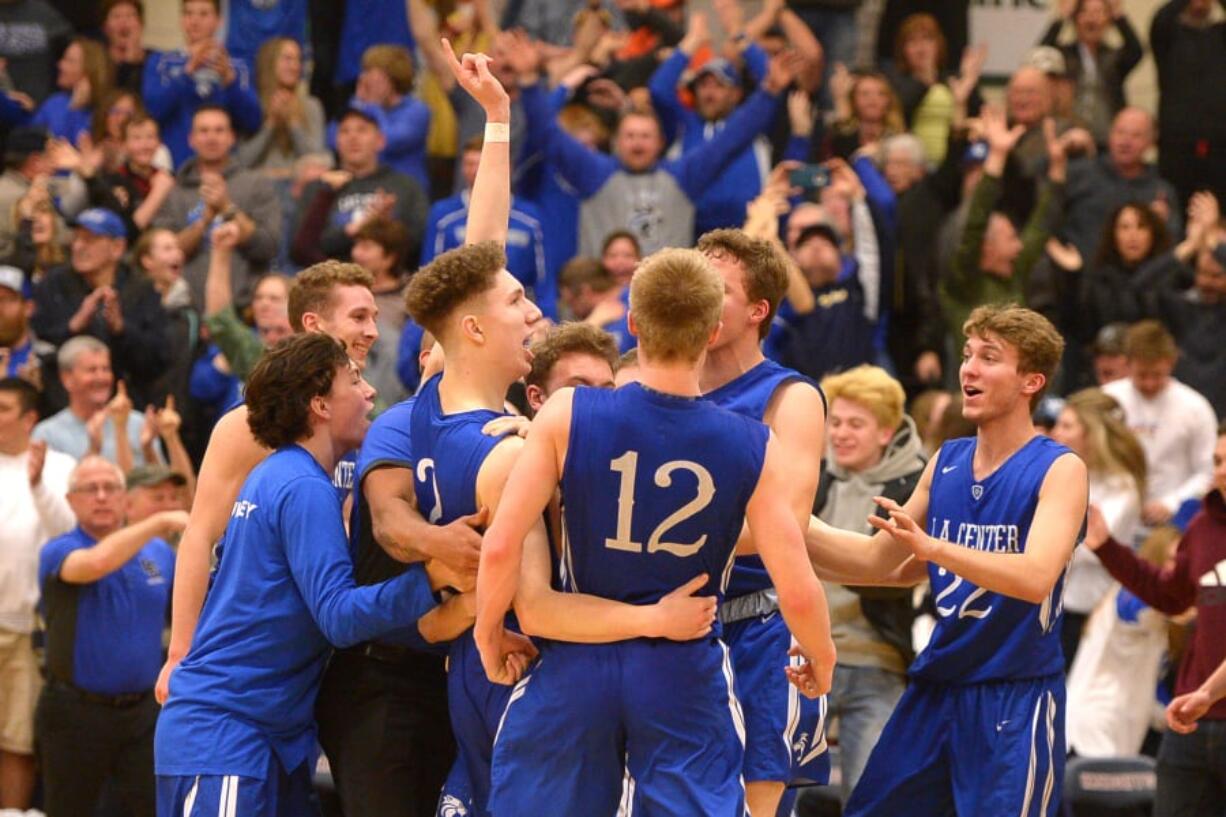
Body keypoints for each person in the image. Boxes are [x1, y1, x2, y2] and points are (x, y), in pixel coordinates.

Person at [476, 243, 835, 817]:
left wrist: (488, 632)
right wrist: (821, 655)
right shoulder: (752, 443)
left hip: (576, 659)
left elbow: (499, 546)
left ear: (632, 322)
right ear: (713, 326)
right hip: (681, 666)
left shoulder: (567, 410)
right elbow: (795, 581)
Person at [804, 304, 1088, 816]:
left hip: (1013, 695)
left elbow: (1035, 576)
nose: (969, 368)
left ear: (1031, 381)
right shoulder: (948, 460)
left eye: (989, 357)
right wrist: (781, 521)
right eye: (967, 354)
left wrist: (934, 548)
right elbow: (876, 563)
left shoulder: (1059, 469)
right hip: (937, 688)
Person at [153, 334, 440, 817]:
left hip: (265, 735)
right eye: (354, 379)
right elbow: (338, 617)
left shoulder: (283, 474)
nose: (370, 391)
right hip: (229, 731)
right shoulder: (302, 484)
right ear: (319, 404)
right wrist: (434, 582)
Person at [153, 259, 381, 701]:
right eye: (358, 317)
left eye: (373, 317)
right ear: (313, 324)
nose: (372, 330)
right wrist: (180, 652)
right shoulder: (251, 424)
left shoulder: (364, 412)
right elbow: (199, 536)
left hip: (320, 641)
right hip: (250, 648)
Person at [684, 228, 830, 817]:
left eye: (715, 290)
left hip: (759, 628)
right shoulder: (665, 384)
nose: (698, 300)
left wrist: (665, 544)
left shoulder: (788, 397)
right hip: (672, 627)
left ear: (757, 310)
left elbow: (786, 526)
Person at [520, 49, 800, 257]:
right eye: (630, 136)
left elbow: (731, 139)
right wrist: (530, 82)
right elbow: (548, 134)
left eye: (645, 136)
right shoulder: (594, 172)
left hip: (668, 305)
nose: (638, 144)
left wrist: (769, 92)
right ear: (616, 141)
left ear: (660, 143)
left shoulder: (683, 176)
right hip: (604, 303)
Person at [1082, 422, 1226, 816]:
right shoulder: (1203, 526)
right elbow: (1170, 595)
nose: (1221, 471)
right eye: (1216, 461)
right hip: (1191, 720)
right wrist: (1108, 549)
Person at [37, 455, 187, 817]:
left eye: (110, 488)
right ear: (71, 500)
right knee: (70, 808)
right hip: (75, 713)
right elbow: (95, 564)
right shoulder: (59, 549)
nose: (101, 496)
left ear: (124, 498)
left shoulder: (159, 554)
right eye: (90, 489)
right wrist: (160, 521)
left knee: (150, 808)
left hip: (143, 713)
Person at [811, 364, 926, 803]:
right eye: (835, 423)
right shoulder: (812, 474)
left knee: (874, 795)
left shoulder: (916, 486)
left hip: (878, 658)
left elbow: (904, 576)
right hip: (800, 653)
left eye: (855, 424)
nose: (840, 434)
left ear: (886, 432)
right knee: (772, 783)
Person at [0, 377, 74, 810]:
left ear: (30, 418)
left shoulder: (61, 466)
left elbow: (73, 536)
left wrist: (39, 487)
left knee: (17, 740)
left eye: (4, 408)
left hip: (28, 628)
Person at [941, 108, 1067, 356]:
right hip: (970, 390)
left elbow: (1041, 227)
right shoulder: (963, 280)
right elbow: (975, 223)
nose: (1020, 246)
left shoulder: (1014, 271)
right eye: (1011, 239)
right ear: (987, 248)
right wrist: (997, 155)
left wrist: (1058, 168)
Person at [153, 105, 281, 310]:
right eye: (203, 131)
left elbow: (268, 246)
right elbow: (164, 256)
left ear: (231, 137)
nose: (211, 138)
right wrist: (204, 221)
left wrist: (226, 207)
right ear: (191, 139)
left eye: (219, 130)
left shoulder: (256, 184)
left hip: (244, 310)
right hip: (185, 311)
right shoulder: (174, 192)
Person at [31, 207, 168, 398]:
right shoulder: (53, 284)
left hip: (128, 398)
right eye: (76, 238)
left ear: (117, 247)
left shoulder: (142, 289)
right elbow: (38, 344)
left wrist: (121, 329)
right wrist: (74, 326)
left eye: (89, 240)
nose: (78, 246)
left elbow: (157, 360)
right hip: (63, 400)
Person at [1066, 525, 1177, 757]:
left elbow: (1151, 681)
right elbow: (1132, 610)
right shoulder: (1131, 595)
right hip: (1094, 722)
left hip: (1124, 726)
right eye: (1171, 560)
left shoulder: (1162, 621)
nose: (1178, 570)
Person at [1102, 320, 1217, 528]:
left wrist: (1172, 502)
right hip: (1113, 514)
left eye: (1157, 375)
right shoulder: (1109, 399)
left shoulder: (1195, 407)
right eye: (1141, 375)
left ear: (1171, 363)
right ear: (1127, 364)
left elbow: (1208, 470)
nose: (1149, 384)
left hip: (1172, 518)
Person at [290, 106, 427, 267]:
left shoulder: (406, 186)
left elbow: (418, 243)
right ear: (336, 142)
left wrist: (387, 227)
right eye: (344, 131)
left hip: (390, 285)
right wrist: (351, 231)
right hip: (332, 280)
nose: (352, 137)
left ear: (380, 141)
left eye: (362, 130)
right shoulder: (320, 189)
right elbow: (300, 248)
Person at [421, 135, 547, 304]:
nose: (475, 171)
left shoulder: (531, 218)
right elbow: (431, 270)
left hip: (520, 304)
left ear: (507, 167)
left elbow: (544, 277)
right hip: (461, 304)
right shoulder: (444, 215)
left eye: (480, 164)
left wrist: (547, 316)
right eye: (469, 164)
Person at [141, 0, 262, 168]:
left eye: (204, 14)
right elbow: (153, 111)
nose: (195, 21)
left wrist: (230, 80)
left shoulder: (238, 66)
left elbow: (253, 121)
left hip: (226, 168)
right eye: (188, 14)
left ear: (220, 21)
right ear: (181, 20)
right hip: (174, 167)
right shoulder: (161, 62)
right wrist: (187, 72)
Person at [1060, 107, 1181, 262]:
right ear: (1110, 135)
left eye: (1136, 135)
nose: (1125, 141)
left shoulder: (1161, 191)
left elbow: (1173, 247)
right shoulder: (1082, 173)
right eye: (1120, 132)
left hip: (1139, 279)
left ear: (1151, 143)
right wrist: (1062, 149)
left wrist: (1160, 226)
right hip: (1078, 274)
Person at [33, 337, 154, 471]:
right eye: (92, 370)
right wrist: (93, 449)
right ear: (67, 379)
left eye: (106, 369)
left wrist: (149, 450)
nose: (101, 378)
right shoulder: (48, 434)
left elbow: (165, 484)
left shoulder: (138, 424)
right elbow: (55, 489)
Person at [1039, 0, 1143, 143]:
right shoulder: (1064, 55)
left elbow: (1136, 51)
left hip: (1107, 139)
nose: (1091, 19)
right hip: (1068, 137)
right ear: (1075, 19)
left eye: (1099, 13)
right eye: (1084, 12)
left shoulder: (1114, 58)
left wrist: (1119, 16)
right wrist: (1061, 18)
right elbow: (1041, 54)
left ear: (1108, 20)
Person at [238, 37, 325, 176]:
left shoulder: (312, 105)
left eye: (298, 60)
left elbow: (316, 159)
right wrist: (271, 123)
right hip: (260, 187)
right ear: (269, 62)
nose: (295, 66)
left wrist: (293, 123)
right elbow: (242, 161)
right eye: (288, 59)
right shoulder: (251, 106)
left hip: (299, 187)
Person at [31, 37, 112, 144]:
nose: (60, 65)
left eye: (69, 61)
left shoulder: (108, 108)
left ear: (89, 69)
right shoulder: (54, 103)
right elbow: (31, 139)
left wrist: (76, 109)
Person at [101, 0, 151, 94]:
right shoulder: (98, 62)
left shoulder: (154, 60)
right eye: (116, 16)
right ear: (105, 27)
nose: (123, 22)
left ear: (141, 24)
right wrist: (129, 65)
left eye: (130, 16)